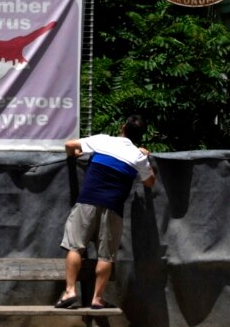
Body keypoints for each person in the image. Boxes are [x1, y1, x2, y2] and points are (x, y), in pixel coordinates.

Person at [53, 115, 156, 310]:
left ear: (122, 127)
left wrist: (74, 154)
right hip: (114, 207)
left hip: (87, 201)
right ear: (140, 136)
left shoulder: (102, 140)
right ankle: (97, 299)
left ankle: (70, 291)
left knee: (75, 247)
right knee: (105, 256)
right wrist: (145, 156)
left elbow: (69, 145)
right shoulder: (138, 156)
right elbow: (149, 182)